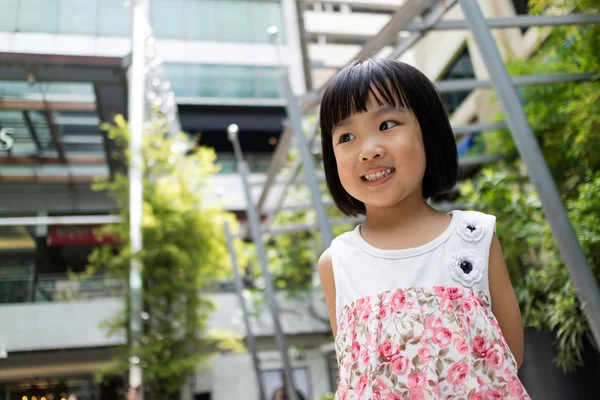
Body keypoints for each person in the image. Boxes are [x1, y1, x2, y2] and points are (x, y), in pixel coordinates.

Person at [317, 58, 529, 399]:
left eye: (387, 124)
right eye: (347, 136)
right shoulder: (337, 263)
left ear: (428, 134)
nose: (369, 150)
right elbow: (356, 375)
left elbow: (508, 358)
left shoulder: (474, 237)